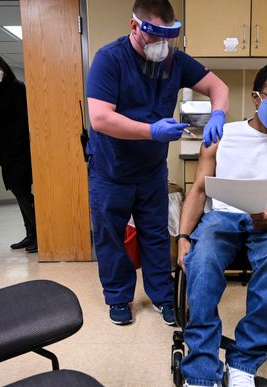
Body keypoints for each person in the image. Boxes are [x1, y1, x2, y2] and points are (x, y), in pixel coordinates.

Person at [86, 0, 229, 326]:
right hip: (112, 170)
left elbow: (216, 86)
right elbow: (101, 119)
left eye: (169, 38)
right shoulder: (110, 59)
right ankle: (119, 298)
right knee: (111, 235)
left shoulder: (173, 60)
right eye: (155, 37)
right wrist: (152, 130)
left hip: (151, 171)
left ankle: (163, 296)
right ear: (134, 27)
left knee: (155, 233)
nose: (162, 46)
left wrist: (218, 111)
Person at [177, 62, 267, 387]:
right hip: (222, 217)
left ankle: (244, 362)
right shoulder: (222, 135)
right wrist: (183, 237)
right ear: (256, 98)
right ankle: (201, 370)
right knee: (202, 260)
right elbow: (199, 189)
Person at [0, 54, 37, 254]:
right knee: (19, 193)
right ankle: (30, 234)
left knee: (22, 193)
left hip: (21, 152)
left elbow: (24, 121)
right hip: (5, 153)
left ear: (5, 68)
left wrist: (15, 147)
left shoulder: (17, 89)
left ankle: (39, 235)